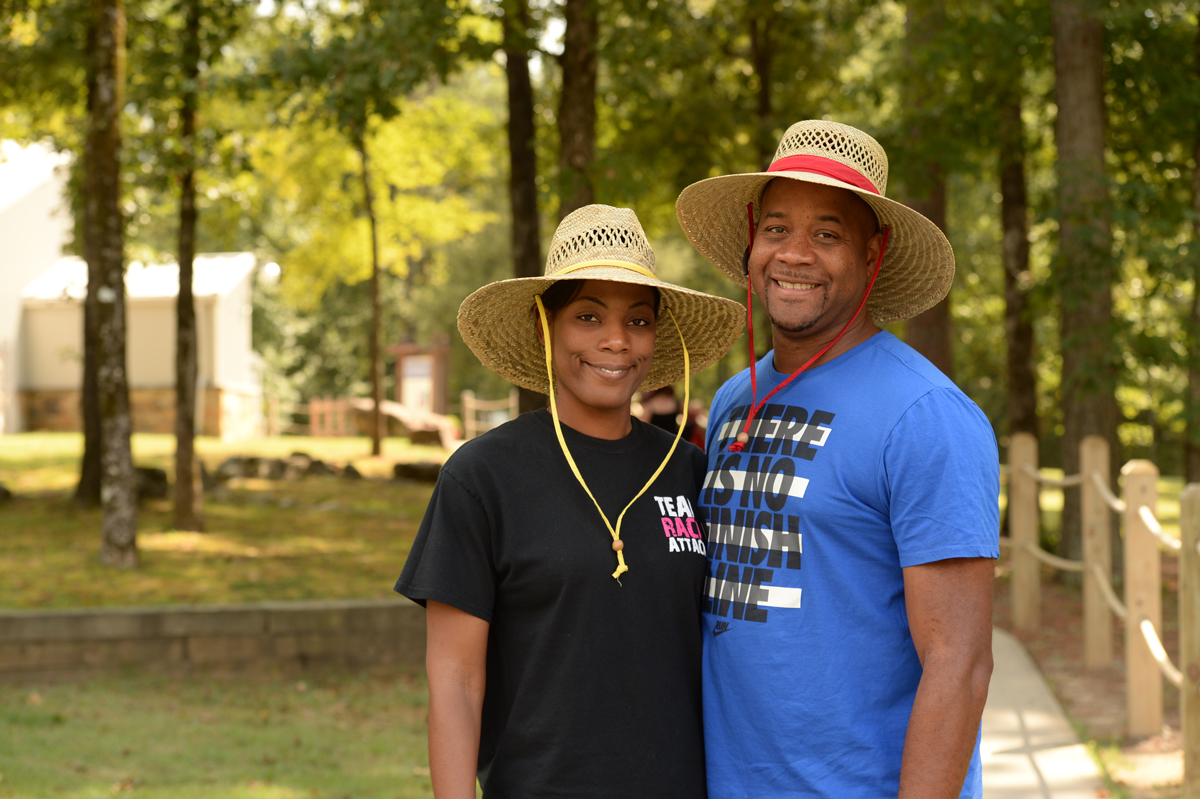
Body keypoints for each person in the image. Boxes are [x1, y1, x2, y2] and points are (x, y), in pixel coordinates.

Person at [675, 120, 999, 798]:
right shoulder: (736, 399)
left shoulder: (927, 417)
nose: (795, 254)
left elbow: (959, 662)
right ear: (749, 240)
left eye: (827, 234)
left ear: (872, 252)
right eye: (776, 229)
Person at [395, 205, 743, 798]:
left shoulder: (689, 470)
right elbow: (455, 679)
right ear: (543, 326)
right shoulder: (482, 477)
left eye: (638, 320)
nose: (615, 341)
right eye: (587, 316)